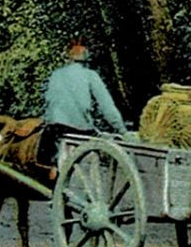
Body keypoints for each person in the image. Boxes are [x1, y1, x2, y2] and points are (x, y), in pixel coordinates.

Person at [37, 40, 126, 168]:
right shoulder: (90, 75)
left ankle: (50, 170)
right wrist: (122, 130)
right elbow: (107, 107)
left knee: (43, 155)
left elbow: (49, 103)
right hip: (80, 131)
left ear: (68, 57)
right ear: (87, 57)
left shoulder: (56, 75)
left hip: (55, 130)